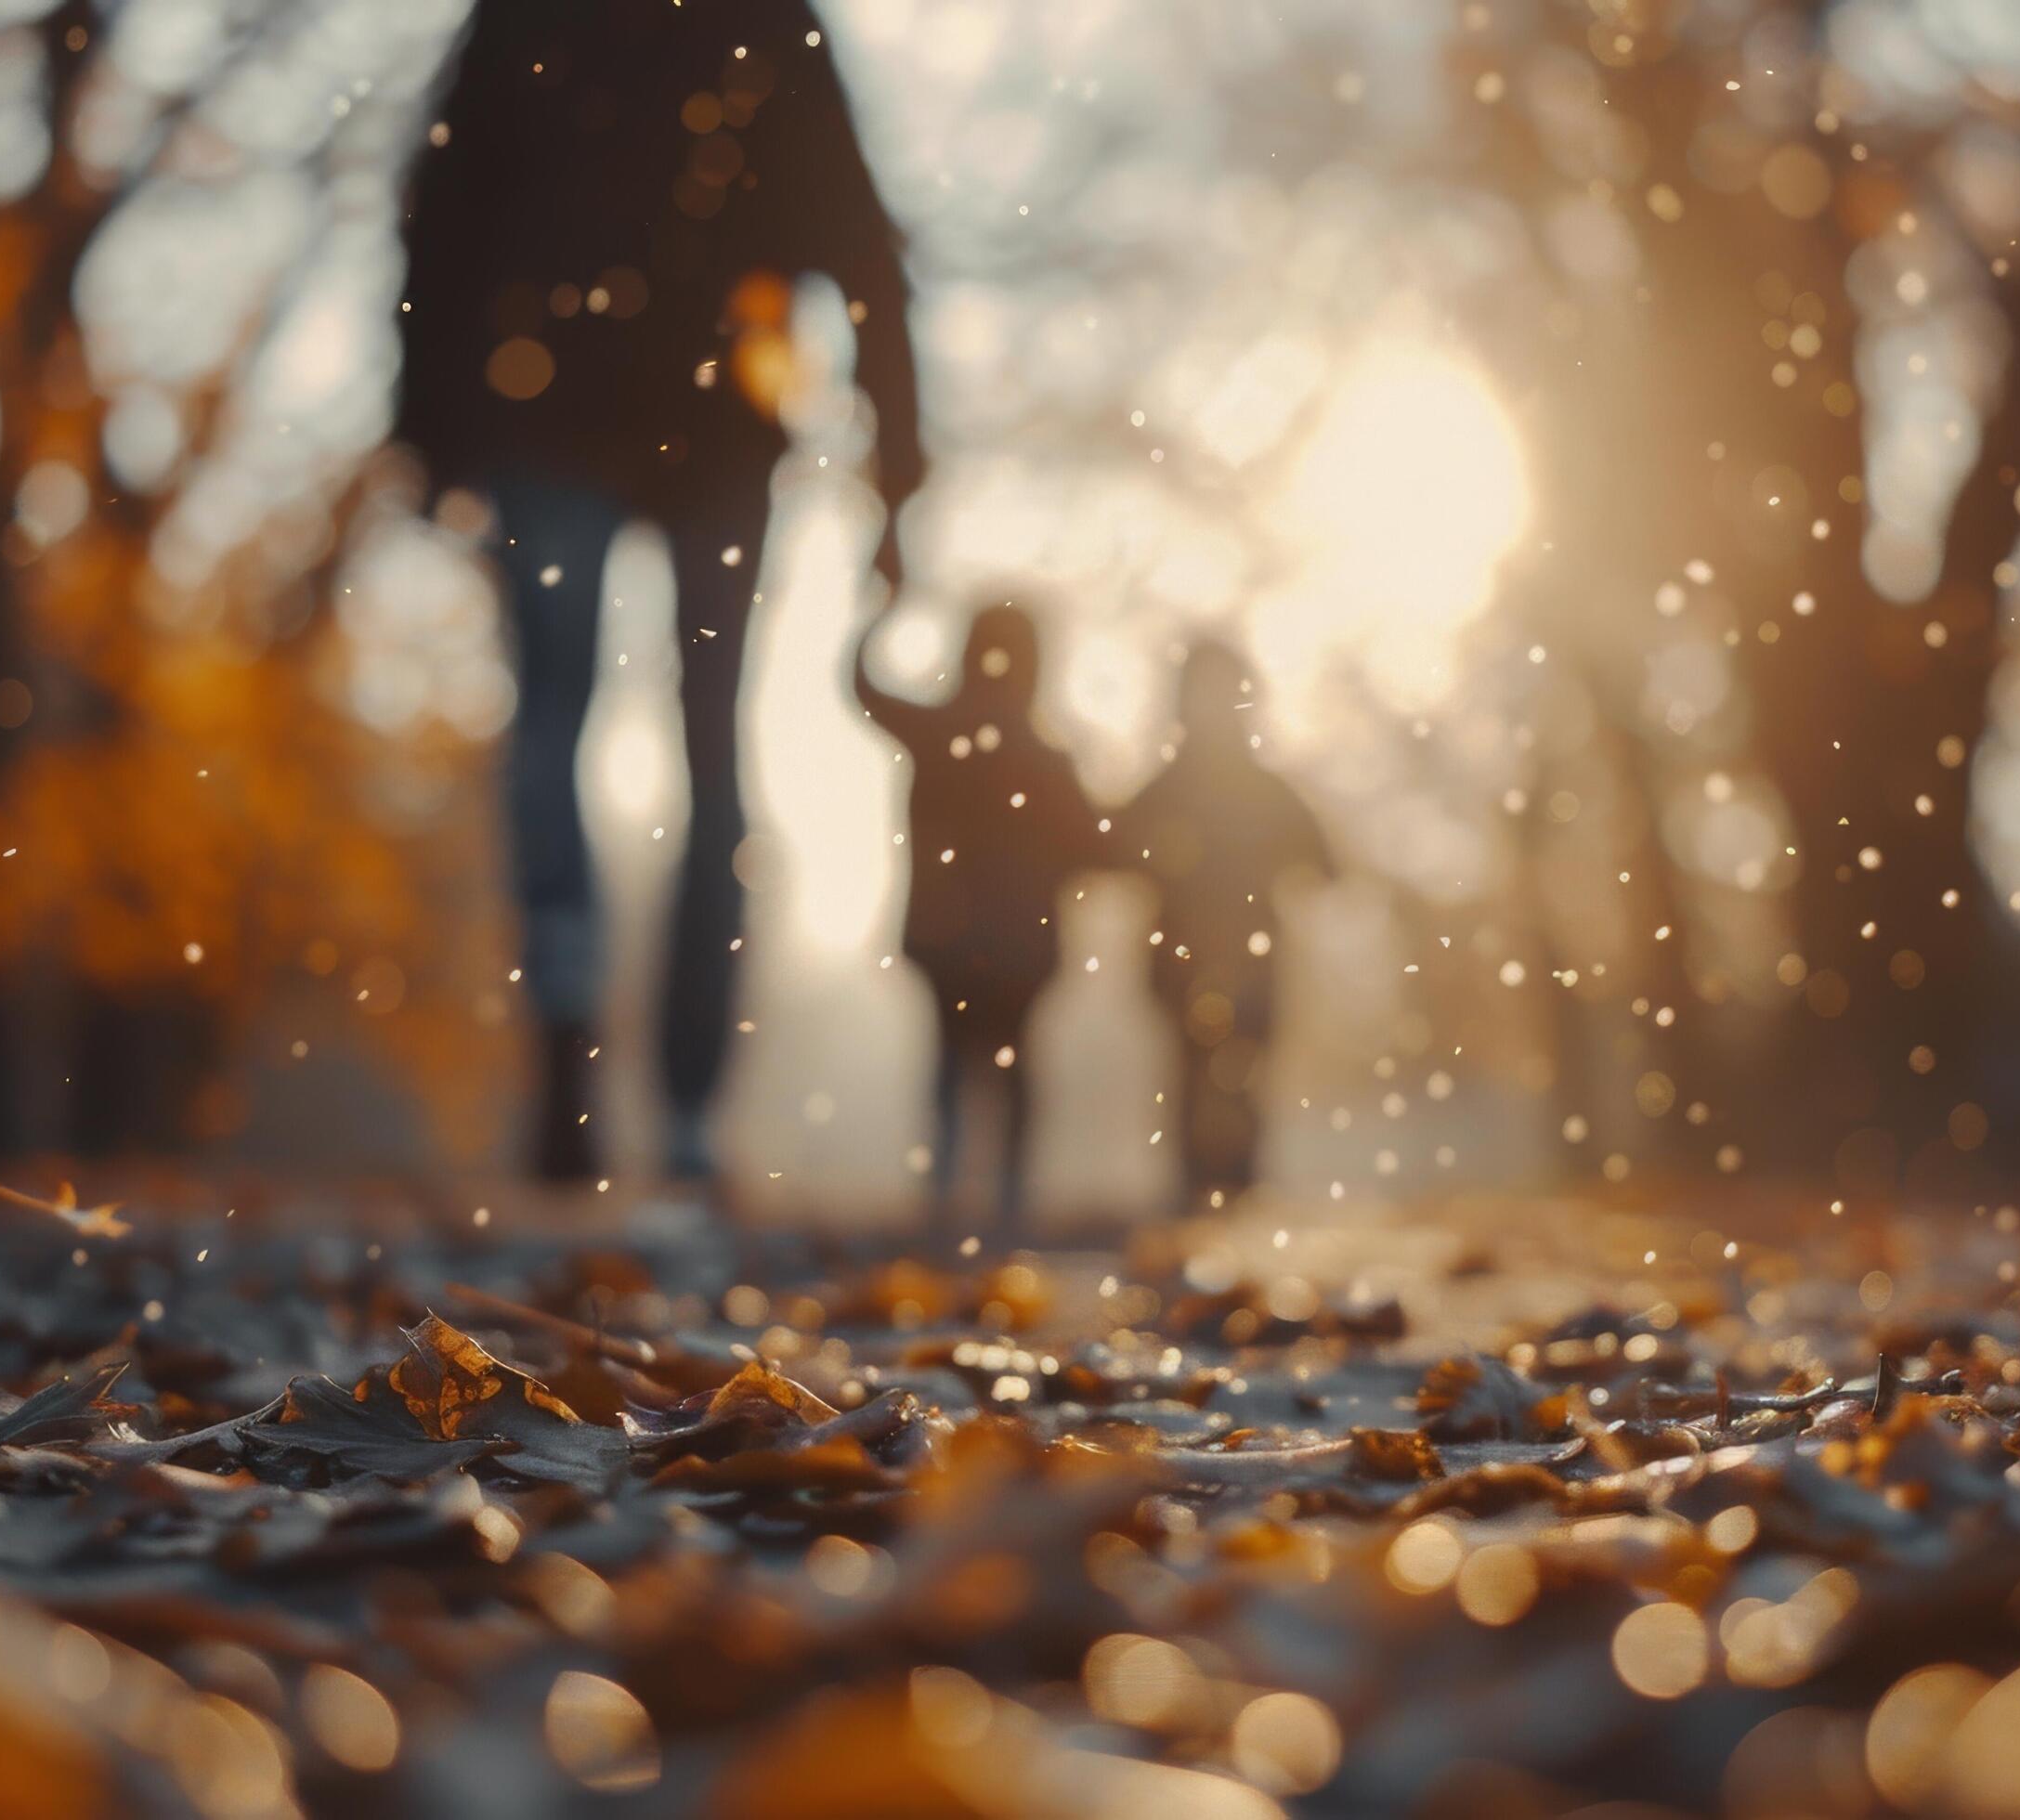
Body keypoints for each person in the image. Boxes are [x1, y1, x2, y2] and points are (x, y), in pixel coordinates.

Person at [395, 0, 919, 1181]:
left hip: (603, 414)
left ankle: (595, 1038)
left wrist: (427, 424)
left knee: (568, 729)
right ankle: (655, 1082)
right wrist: (899, 473)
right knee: (692, 744)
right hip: (674, 423)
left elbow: (441, 208)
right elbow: (863, 246)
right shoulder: (765, 22)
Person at [854, 604, 1099, 1231]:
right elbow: (1097, 849)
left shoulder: (937, 732)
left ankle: (942, 1197)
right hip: (1021, 949)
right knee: (1016, 1069)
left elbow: (862, 685)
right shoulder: (1046, 756)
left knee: (949, 1064)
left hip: (947, 939)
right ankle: (1010, 1204)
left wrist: (883, 603)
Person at [1116, 642, 1334, 1207]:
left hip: (1245, 961)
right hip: (1185, 962)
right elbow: (1113, 852)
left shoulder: (1256, 789)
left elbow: (1324, 864)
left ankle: (1237, 1191)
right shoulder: (1184, 787)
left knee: (1241, 1076)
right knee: (1197, 1076)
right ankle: (1198, 1194)